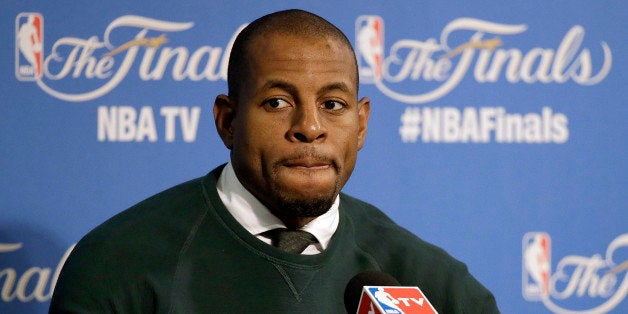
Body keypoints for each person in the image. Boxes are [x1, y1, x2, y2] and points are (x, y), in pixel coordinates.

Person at [50, 9, 499, 313]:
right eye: (278, 102)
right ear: (228, 120)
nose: (309, 126)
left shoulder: (433, 287)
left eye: (334, 105)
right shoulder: (119, 265)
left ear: (361, 126)